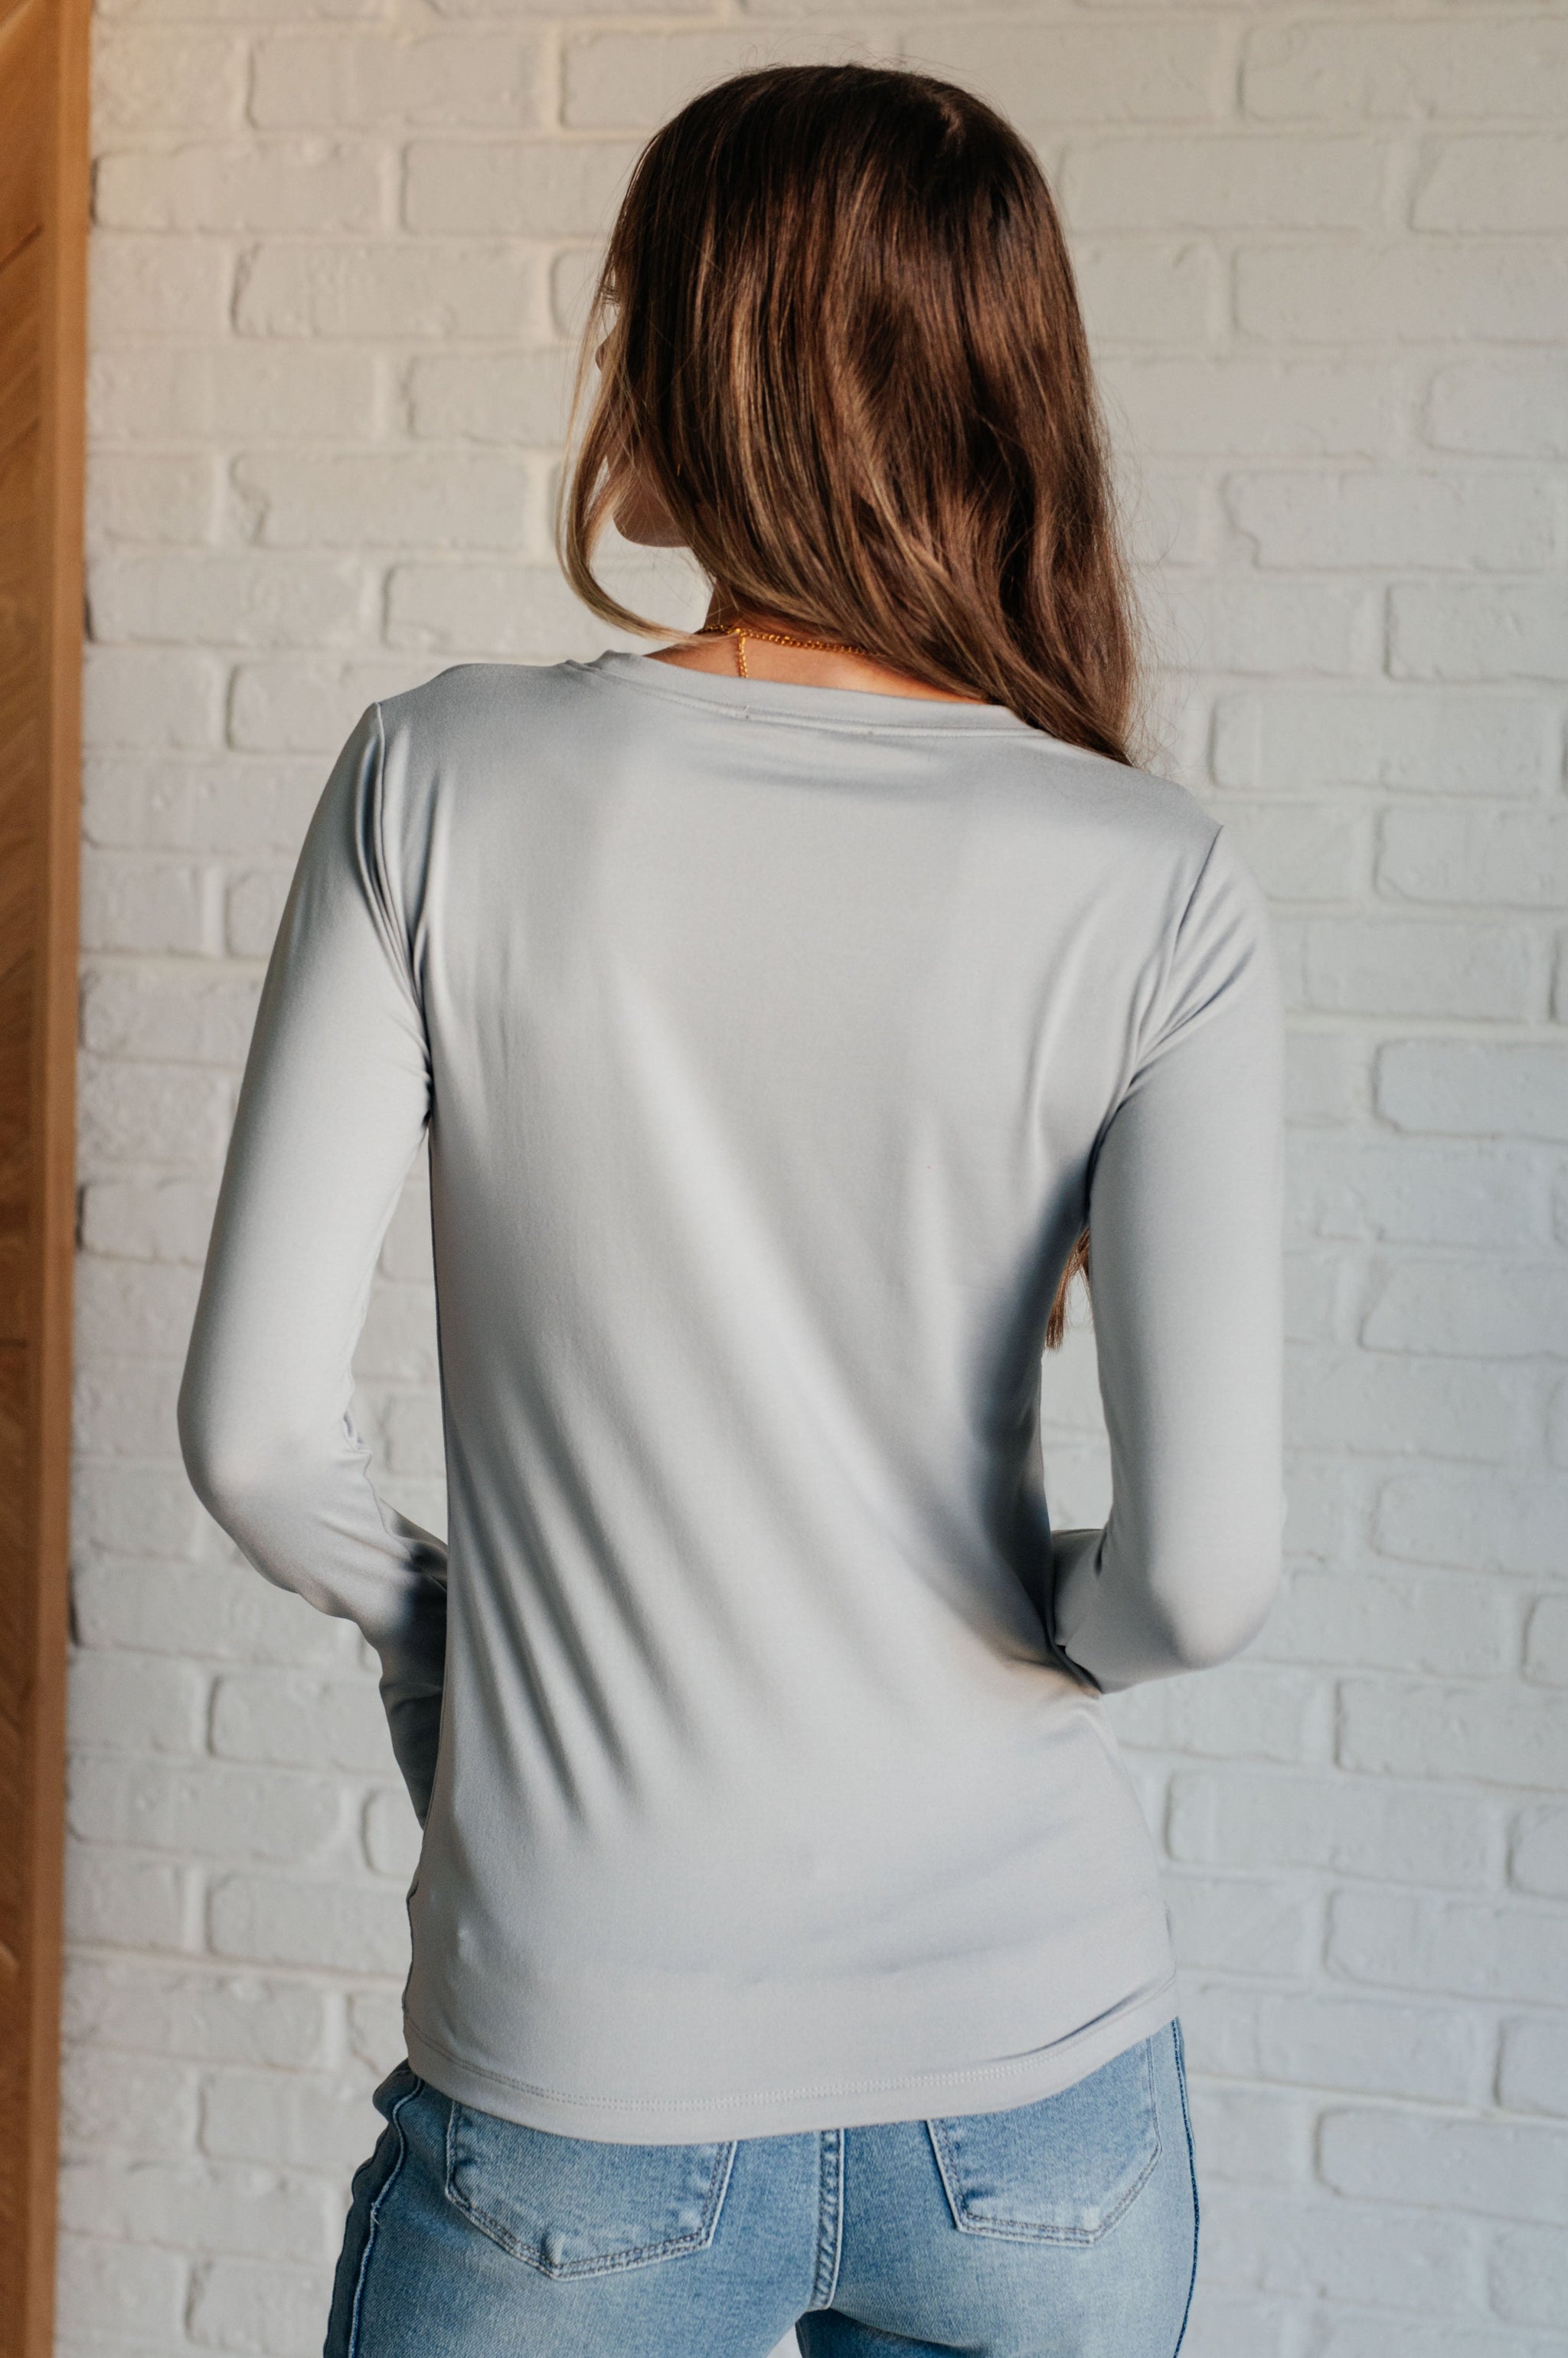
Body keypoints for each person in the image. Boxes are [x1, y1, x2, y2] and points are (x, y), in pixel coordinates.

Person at [177, 61, 1284, 2358]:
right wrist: (1037, 1629)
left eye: (633, 313)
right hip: (1043, 2110)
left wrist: (453, 1646)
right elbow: (1200, 1577)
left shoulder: (440, 778)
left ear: (713, 362)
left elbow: (261, 1440)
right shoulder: (1151, 872)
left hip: (581, 2069)